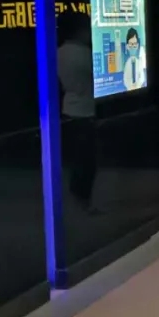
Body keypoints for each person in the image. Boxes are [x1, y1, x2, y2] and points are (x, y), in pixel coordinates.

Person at [57, 12, 97, 210]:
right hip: (85, 111)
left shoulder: (59, 52)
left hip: (68, 108)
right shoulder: (84, 54)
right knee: (87, 160)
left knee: (78, 158)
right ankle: (82, 199)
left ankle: (78, 197)